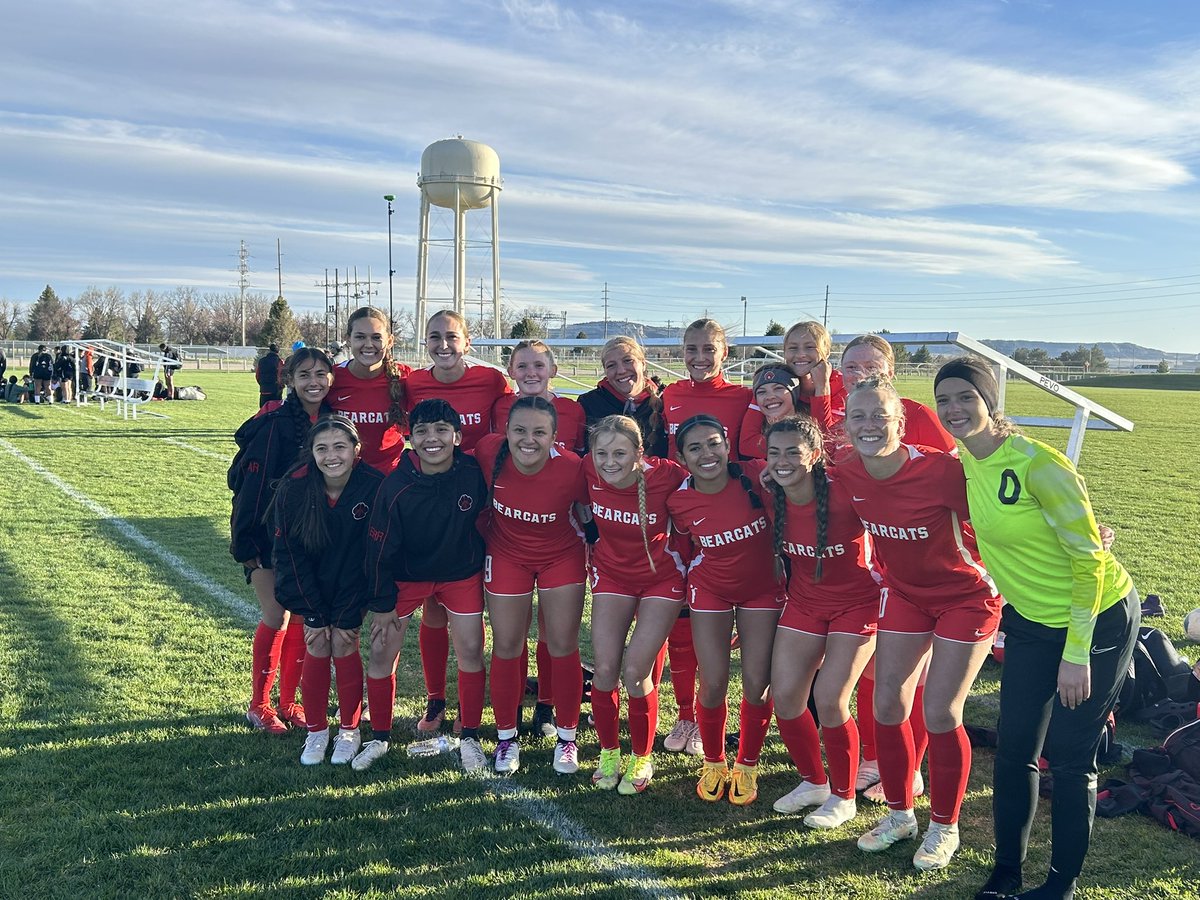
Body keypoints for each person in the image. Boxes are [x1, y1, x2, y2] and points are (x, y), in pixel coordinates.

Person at [933, 358, 1139, 900]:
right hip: (1028, 620)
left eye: (965, 397)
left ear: (990, 401)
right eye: (944, 400)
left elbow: (1090, 562)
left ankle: (1060, 884)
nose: (954, 409)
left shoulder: (1037, 464)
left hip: (1095, 619)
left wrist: (1076, 654)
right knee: (1015, 748)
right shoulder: (961, 460)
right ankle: (1006, 872)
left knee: (1071, 760)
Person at [835, 375, 1001, 872]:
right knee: (888, 703)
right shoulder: (845, 467)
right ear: (844, 425)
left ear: (900, 423)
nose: (868, 426)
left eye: (880, 416)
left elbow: (1005, 513)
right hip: (906, 595)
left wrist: (1080, 529)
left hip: (966, 598)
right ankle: (899, 813)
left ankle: (944, 825)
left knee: (942, 711)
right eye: (857, 416)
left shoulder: (942, 472)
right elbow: (790, 471)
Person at [358, 399, 490, 773]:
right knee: (382, 649)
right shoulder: (396, 486)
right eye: (422, 432)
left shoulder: (470, 473)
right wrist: (382, 604)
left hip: (459, 573)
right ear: (410, 438)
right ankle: (380, 736)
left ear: (458, 436)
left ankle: (470, 734)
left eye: (441, 430)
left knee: (470, 648)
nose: (432, 438)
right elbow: (378, 549)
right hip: (406, 576)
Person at [763, 415, 880, 828]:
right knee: (786, 695)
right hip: (805, 604)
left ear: (814, 455)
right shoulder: (768, 494)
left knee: (830, 699)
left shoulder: (847, 491)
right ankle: (813, 781)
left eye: (792, 452)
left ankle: (844, 797)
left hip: (858, 605)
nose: (782, 461)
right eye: (774, 452)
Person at [404, 309, 510, 735]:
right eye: (435, 337)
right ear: (424, 343)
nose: (444, 345)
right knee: (433, 605)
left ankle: (488, 699)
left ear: (468, 342)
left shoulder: (491, 381)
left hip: (481, 501)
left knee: (479, 604)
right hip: (431, 500)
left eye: (452, 337)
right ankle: (436, 700)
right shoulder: (411, 383)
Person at [667, 414, 781, 805]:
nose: (707, 453)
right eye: (695, 448)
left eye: (713, 443)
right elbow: (682, 549)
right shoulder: (679, 500)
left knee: (756, 681)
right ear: (682, 457)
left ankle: (747, 764)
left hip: (763, 590)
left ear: (728, 444)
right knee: (713, 680)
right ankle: (714, 762)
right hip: (710, 589)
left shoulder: (758, 475)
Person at [475, 396, 589, 774]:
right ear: (504, 432)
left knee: (562, 644)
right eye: (519, 430)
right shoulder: (488, 452)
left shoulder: (572, 469)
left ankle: (568, 738)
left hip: (561, 556)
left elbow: (592, 515)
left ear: (555, 436)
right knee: (507, 644)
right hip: (507, 555)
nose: (528, 440)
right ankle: (507, 737)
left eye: (540, 432)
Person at [658, 321, 754, 756]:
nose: (700, 357)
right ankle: (685, 717)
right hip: (685, 515)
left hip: (737, 521)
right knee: (684, 627)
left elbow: (755, 450)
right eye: (691, 348)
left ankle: (739, 728)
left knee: (746, 644)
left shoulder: (743, 396)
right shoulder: (671, 395)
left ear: (725, 352)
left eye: (708, 349)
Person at [230, 347, 336, 734]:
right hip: (267, 537)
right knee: (276, 615)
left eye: (321, 374)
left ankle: (289, 702)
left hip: (311, 536)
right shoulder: (273, 423)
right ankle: (259, 704)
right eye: (304, 375)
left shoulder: (331, 420)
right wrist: (248, 545)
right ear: (289, 379)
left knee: (303, 617)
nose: (314, 382)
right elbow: (248, 489)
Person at [269, 416, 385, 766]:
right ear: (312, 453)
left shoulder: (374, 485)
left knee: (345, 640)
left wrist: (352, 609)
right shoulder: (295, 487)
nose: (331, 456)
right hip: (311, 583)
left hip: (354, 583)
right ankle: (317, 732)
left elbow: (375, 554)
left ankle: (350, 730)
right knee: (317, 640)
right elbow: (289, 556)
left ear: (356, 450)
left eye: (340, 447)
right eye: (322, 448)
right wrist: (314, 612)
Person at [585, 414, 687, 795]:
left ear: (639, 453)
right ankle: (609, 752)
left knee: (635, 671)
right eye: (601, 453)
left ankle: (642, 755)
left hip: (662, 577)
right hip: (612, 574)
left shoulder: (667, 475)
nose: (609, 462)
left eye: (619, 453)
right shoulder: (588, 470)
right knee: (606, 669)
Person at [328, 307, 411, 474]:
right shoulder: (332, 378)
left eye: (376, 337)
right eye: (360, 337)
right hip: (342, 479)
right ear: (348, 340)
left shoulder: (406, 378)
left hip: (389, 480)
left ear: (390, 340)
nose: (368, 344)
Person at [491, 339, 587, 453]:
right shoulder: (501, 407)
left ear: (553, 370)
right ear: (511, 372)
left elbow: (579, 456)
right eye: (522, 366)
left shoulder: (573, 410)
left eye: (539, 365)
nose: (531, 373)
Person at [578, 337, 668, 457]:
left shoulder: (666, 400)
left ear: (643, 363)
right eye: (611, 365)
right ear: (605, 371)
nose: (621, 371)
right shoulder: (588, 404)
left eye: (628, 360)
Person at [739, 364, 804, 459]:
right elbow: (747, 446)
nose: (770, 396)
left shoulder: (809, 431)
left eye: (778, 388)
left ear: (795, 393)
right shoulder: (753, 438)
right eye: (761, 392)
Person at [255, 343, 285, 408]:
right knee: (275, 411)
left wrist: (262, 384)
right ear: (278, 351)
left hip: (264, 390)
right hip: (275, 391)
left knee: (263, 412)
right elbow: (280, 375)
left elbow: (257, 375)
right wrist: (281, 386)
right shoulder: (279, 361)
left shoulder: (261, 361)